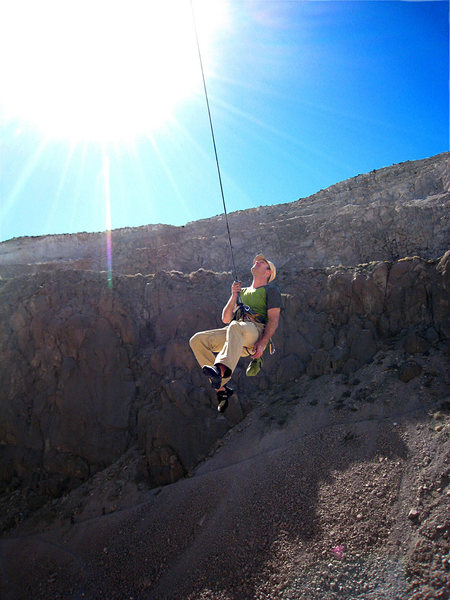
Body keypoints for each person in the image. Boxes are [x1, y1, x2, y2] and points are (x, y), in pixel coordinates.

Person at [189, 254, 281, 413]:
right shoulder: (242, 292)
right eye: (257, 261)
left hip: (255, 331)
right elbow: (225, 318)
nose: (257, 262)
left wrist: (263, 343)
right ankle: (222, 388)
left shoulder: (271, 290)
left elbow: (273, 319)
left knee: (235, 327)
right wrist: (233, 296)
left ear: (268, 273)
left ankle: (222, 374)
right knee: (197, 340)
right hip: (236, 333)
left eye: (262, 263)